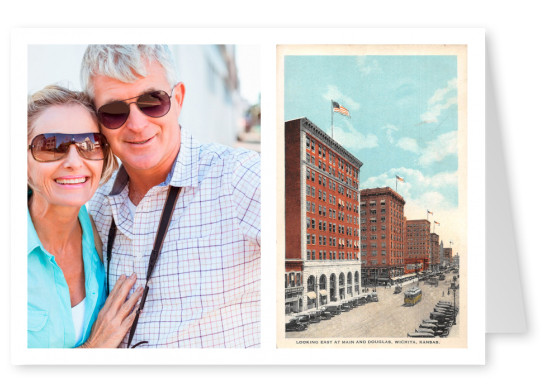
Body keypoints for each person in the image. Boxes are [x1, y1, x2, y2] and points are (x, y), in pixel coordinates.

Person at [81, 45, 261, 348]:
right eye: (114, 111)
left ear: (177, 99)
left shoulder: (238, 177)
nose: (137, 125)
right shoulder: (96, 206)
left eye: (152, 101)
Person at [27, 85, 144, 348]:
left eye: (89, 145)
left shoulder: (101, 234)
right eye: (51, 145)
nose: (74, 161)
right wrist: (93, 349)